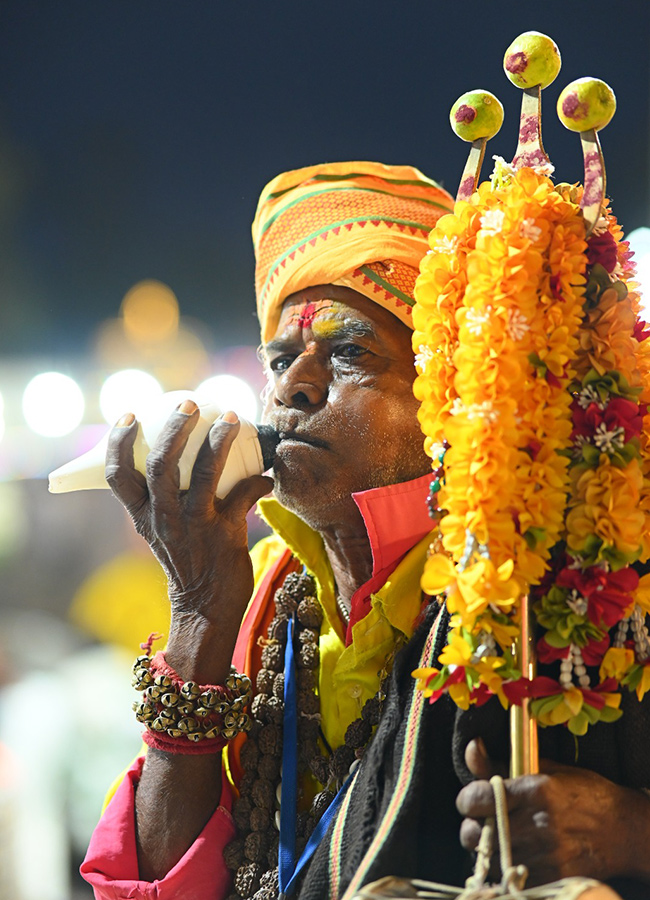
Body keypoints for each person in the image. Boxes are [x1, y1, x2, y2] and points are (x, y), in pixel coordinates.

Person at [81, 162, 650, 900]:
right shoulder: (258, 589)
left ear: (452, 388)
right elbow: (153, 884)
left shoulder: (576, 586)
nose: (295, 387)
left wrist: (630, 831)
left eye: (350, 354)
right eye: (281, 360)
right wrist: (199, 619)